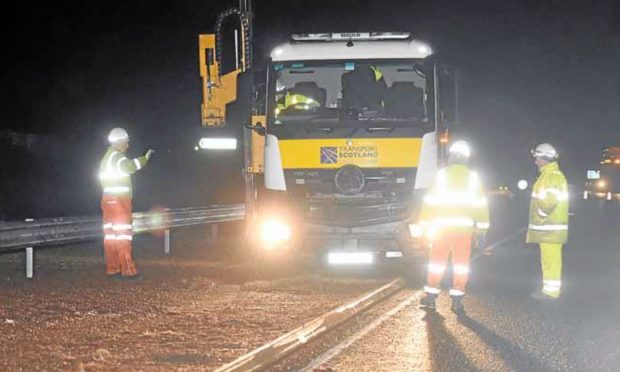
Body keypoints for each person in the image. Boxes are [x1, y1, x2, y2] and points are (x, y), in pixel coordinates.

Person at [418, 140, 490, 313]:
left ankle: (431, 297)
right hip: (464, 231)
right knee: (461, 264)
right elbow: (481, 206)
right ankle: (457, 300)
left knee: (436, 262)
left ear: (451, 156)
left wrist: (424, 226)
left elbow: (429, 203)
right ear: (466, 158)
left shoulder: (441, 176)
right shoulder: (473, 178)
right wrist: (481, 230)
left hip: (441, 229)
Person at [98, 128, 153, 279]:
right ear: (119, 141)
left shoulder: (106, 159)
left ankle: (112, 268)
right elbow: (130, 166)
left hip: (107, 200)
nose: (128, 145)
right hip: (119, 201)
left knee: (110, 236)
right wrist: (145, 158)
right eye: (126, 142)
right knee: (123, 235)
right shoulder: (117, 158)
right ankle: (128, 269)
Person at [527, 143, 569, 299]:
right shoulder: (548, 175)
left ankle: (551, 292)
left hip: (550, 228)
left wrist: (540, 213)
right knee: (548, 260)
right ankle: (549, 290)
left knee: (551, 261)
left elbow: (549, 202)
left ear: (544, 158)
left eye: (537, 158)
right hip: (548, 228)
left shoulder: (553, 176)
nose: (535, 161)